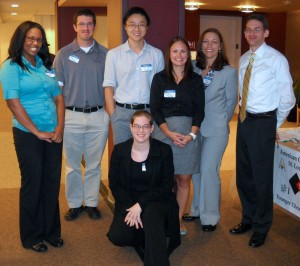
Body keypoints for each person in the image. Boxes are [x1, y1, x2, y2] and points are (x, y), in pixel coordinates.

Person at [229, 13, 295, 248]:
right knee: (244, 174)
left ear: (266, 32)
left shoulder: (276, 59)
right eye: (248, 29)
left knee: (261, 178)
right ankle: (248, 218)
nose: (251, 33)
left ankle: (261, 226)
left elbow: (288, 98)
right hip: (245, 122)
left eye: (257, 29)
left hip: (264, 123)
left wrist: (273, 125)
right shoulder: (245, 58)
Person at [0, 21, 64, 252]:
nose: (35, 43)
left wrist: (60, 128)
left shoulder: (46, 64)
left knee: (51, 182)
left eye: (39, 39)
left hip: (53, 131)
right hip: (28, 133)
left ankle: (51, 231)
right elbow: (13, 104)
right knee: (33, 183)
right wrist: (37, 131)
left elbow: (58, 97)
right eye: (30, 38)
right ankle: (32, 235)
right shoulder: (11, 66)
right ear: (21, 39)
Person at [53, 9, 109, 221]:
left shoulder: (105, 55)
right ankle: (75, 203)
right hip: (71, 116)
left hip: (98, 115)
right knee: (72, 165)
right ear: (75, 27)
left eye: (90, 24)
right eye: (82, 24)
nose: (86, 28)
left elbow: (110, 88)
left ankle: (92, 202)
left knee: (94, 164)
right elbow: (56, 90)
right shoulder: (63, 55)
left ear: (95, 26)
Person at [107, 110, 180, 266]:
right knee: (118, 237)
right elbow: (115, 184)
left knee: (151, 216)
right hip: (129, 202)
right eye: (137, 126)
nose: (141, 131)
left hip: (156, 199)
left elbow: (167, 185)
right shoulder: (120, 150)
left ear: (152, 128)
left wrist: (141, 205)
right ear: (131, 127)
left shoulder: (164, 151)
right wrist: (132, 207)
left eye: (145, 126)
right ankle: (149, 232)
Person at [183, 28, 238, 232]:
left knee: (209, 171)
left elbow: (231, 102)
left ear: (220, 46)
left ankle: (210, 216)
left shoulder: (229, 72)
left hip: (216, 130)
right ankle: (197, 209)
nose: (209, 46)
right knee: (196, 170)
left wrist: (221, 121)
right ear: (200, 45)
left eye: (214, 42)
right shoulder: (193, 69)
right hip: (194, 128)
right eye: (205, 42)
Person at [150, 36, 205, 235]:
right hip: (164, 133)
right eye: (175, 51)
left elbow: (200, 111)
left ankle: (177, 220)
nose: (179, 55)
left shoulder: (196, 79)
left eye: (183, 51)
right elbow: (155, 109)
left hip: (188, 134)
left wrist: (191, 135)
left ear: (187, 55)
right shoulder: (159, 78)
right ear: (169, 54)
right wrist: (168, 133)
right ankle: (161, 218)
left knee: (183, 179)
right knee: (164, 181)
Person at [103, 6, 164, 145]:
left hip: (148, 112)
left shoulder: (156, 54)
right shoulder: (113, 54)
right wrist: (114, 115)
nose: (137, 29)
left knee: (147, 155)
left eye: (141, 25)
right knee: (123, 156)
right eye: (132, 25)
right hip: (122, 114)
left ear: (147, 27)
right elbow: (108, 86)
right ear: (125, 27)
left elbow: (161, 87)